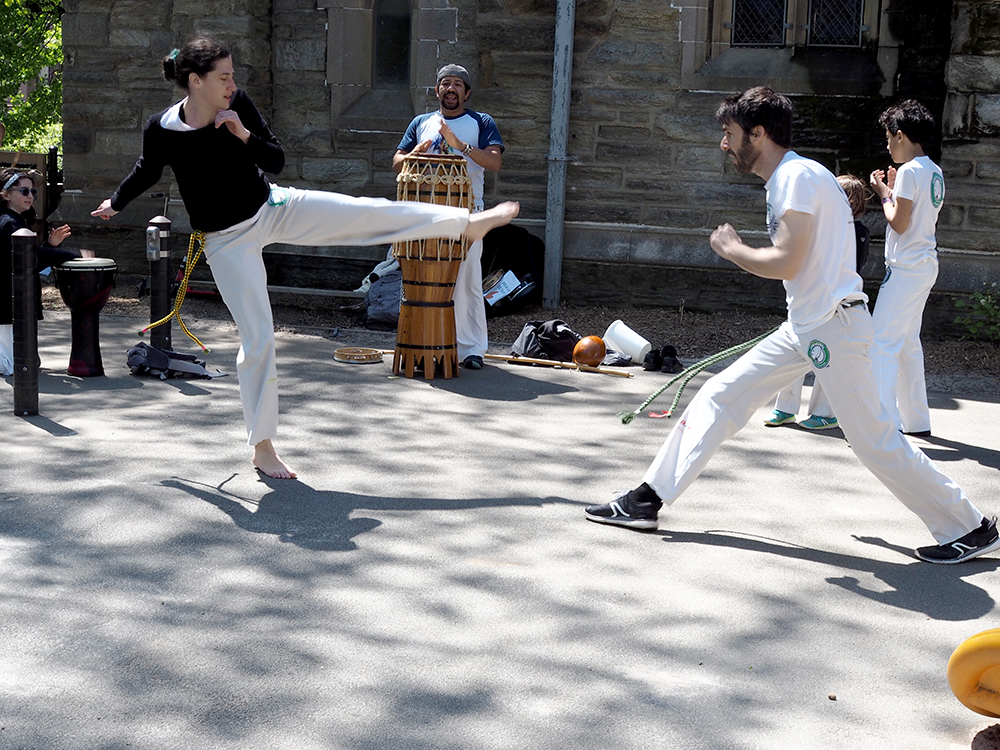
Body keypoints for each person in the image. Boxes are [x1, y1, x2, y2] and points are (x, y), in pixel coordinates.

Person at [585, 87, 998, 565]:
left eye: (730, 133)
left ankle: (971, 526)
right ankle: (646, 499)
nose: (724, 143)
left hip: (833, 328)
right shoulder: (794, 176)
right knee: (722, 393)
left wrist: (732, 248)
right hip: (808, 325)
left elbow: (788, 259)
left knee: (876, 442)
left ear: (757, 134)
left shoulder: (795, 177)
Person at [91, 37, 518, 479]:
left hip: (272, 207)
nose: (232, 83)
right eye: (224, 76)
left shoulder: (237, 103)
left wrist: (242, 133)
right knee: (258, 340)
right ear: (195, 82)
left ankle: (461, 224)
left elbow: (274, 159)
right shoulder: (161, 128)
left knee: (361, 212)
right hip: (225, 241)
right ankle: (263, 447)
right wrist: (117, 202)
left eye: (233, 75)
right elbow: (147, 168)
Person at [393, 64, 505, 371]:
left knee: (467, 282)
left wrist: (462, 146)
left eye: (458, 84)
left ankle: (472, 350)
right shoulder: (421, 122)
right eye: (445, 84)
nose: (451, 89)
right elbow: (397, 162)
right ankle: (427, 345)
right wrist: (413, 153)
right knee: (426, 281)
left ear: (467, 93)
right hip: (426, 215)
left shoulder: (481, 121)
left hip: (469, 213)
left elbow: (494, 162)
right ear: (437, 91)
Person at [763, 174, 871, 430]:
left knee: (827, 357)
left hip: (834, 305)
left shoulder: (856, 233)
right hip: (809, 301)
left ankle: (825, 411)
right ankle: (785, 407)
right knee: (797, 351)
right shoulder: (819, 228)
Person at [868, 100, 943, 438]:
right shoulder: (933, 171)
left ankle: (883, 426)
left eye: (888, 138)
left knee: (881, 343)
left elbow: (898, 222)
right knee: (908, 344)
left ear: (900, 135)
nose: (887, 145)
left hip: (906, 267)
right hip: (925, 264)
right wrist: (896, 190)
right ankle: (916, 420)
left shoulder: (911, 170)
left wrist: (884, 192)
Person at [1, 168, 92, 376]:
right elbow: (31, 258)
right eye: (24, 191)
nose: (30, 196)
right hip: (8, 302)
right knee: (11, 364)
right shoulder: (8, 223)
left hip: (13, 302)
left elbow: (29, 259)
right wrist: (72, 254)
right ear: (6, 194)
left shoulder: (14, 221)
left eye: (33, 192)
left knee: (25, 361)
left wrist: (50, 245)